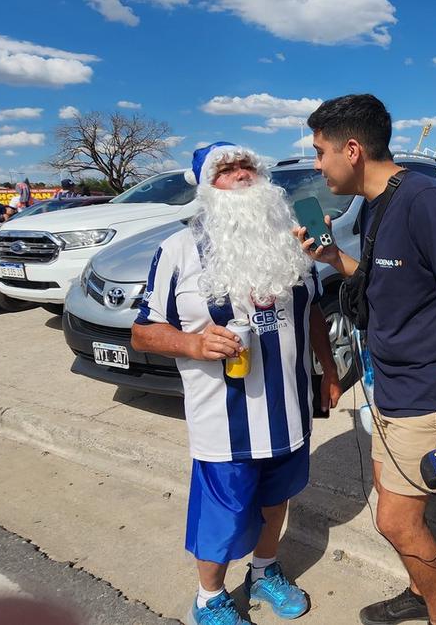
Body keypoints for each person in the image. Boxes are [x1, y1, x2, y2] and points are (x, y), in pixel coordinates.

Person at [297, 95, 436, 625]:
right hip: (388, 382)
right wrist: (332, 259)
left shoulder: (426, 202)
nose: (318, 164)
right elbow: (380, 283)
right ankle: (421, 590)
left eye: (321, 152)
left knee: (395, 521)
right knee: (396, 511)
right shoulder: (376, 203)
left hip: (427, 389)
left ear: (352, 149)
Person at [131, 141, 341, 625]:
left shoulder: (293, 240)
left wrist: (328, 372)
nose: (242, 174)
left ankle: (264, 572)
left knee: (275, 501)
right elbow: (143, 331)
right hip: (223, 423)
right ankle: (209, 597)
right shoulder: (178, 250)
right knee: (222, 518)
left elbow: (309, 315)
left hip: (287, 407)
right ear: (207, 188)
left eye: (248, 165)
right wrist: (193, 344)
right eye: (227, 170)